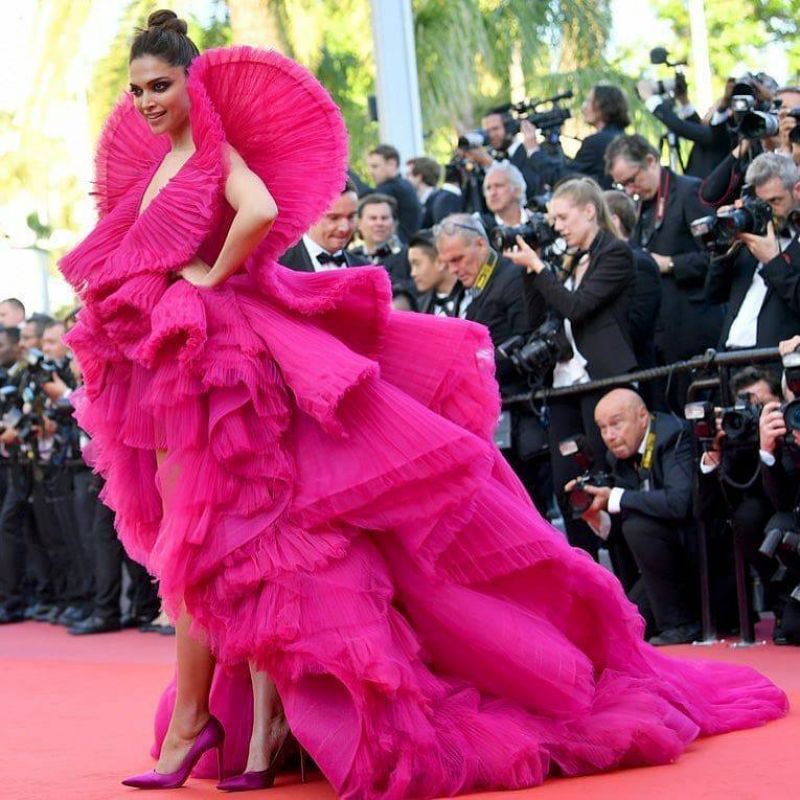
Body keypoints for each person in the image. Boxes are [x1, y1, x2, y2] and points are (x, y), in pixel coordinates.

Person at [60, 11, 787, 798]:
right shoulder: (157, 161)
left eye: (160, 86)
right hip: (173, 356)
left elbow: (261, 212)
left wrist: (208, 277)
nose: (145, 101)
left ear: (192, 83)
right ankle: (250, 728)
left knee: (233, 539)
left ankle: (216, 727)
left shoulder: (211, 150)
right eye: (136, 91)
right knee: (223, 546)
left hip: (221, 353)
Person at [506, 177, 638, 561]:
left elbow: (576, 308)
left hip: (601, 380)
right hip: (564, 384)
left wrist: (541, 268)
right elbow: (536, 317)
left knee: (603, 478)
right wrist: (531, 270)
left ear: (589, 212)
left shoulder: (614, 254)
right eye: (553, 219)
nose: (558, 227)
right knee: (568, 486)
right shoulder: (568, 259)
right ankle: (584, 571)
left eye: (563, 218)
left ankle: (625, 576)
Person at [573, 389, 700, 645]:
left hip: (698, 551)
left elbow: (679, 504)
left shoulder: (674, 435)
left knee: (638, 527)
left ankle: (683, 625)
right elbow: (625, 517)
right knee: (618, 632)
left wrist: (616, 498)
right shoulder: (616, 456)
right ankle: (673, 622)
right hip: (659, 567)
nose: (609, 436)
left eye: (616, 423)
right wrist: (595, 516)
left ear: (643, 416)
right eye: (602, 427)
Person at [606, 134, 723, 409]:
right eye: (622, 184)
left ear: (650, 160)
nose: (630, 189)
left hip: (692, 326)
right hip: (657, 334)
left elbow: (717, 255)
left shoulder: (689, 191)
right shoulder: (638, 205)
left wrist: (670, 263)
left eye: (632, 179)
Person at [706, 152, 800, 351]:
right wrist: (723, 247)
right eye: (762, 205)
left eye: (775, 201)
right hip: (730, 360)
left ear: (797, 191)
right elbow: (714, 294)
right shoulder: (749, 237)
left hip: (776, 361)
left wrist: (774, 262)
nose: (770, 212)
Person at [279, 180, 370, 272]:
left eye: (351, 216)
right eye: (334, 217)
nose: (344, 228)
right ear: (308, 215)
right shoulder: (280, 265)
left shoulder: (364, 268)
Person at [558, 84, 630, 189]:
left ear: (603, 105)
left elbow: (564, 178)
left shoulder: (596, 142)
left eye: (588, 101)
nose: (584, 108)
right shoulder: (624, 138)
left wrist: (534, 150)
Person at [350, 193, 414, 292]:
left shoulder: (409, 257)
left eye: (384, 218)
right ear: (359, 223)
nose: (379, 223)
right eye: (373, 218)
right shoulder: (351, 256)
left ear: (395, 223)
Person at [365, 144, 422, 243]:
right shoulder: (404, 184)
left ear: (392, 164)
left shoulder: (390, 189)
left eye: (375, 166)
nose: (370, 172)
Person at [407, 230, 463, 317]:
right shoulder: (418, 308)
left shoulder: (474, 298)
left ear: (440, 262)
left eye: (417, 264)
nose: (412, 273)